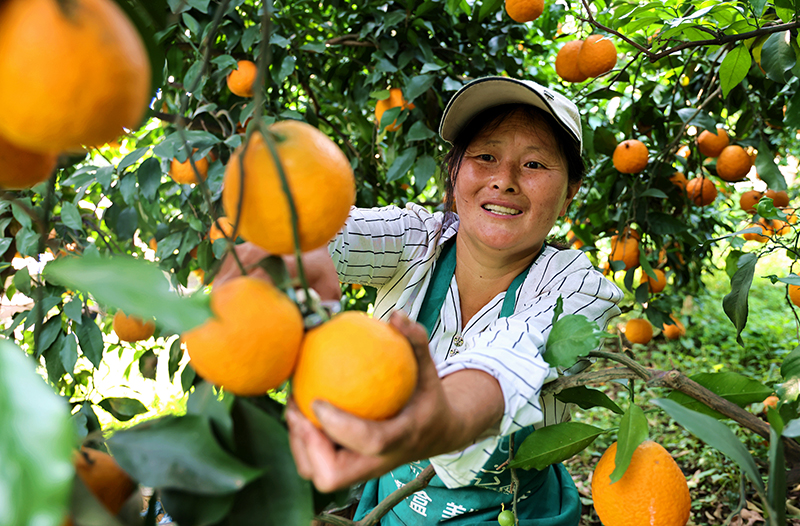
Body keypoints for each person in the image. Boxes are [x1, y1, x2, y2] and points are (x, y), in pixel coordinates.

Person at [219, 76, 623, 525]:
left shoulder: (578, 287)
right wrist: (293, 244)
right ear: (453, 173)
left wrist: (445, 416)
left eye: (534, 165)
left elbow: (515, 357)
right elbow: (330, 232)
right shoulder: (416, 240)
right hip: (392, 506)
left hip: (514, 513)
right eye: (485, 156)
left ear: (569, 193)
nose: (504, 180)